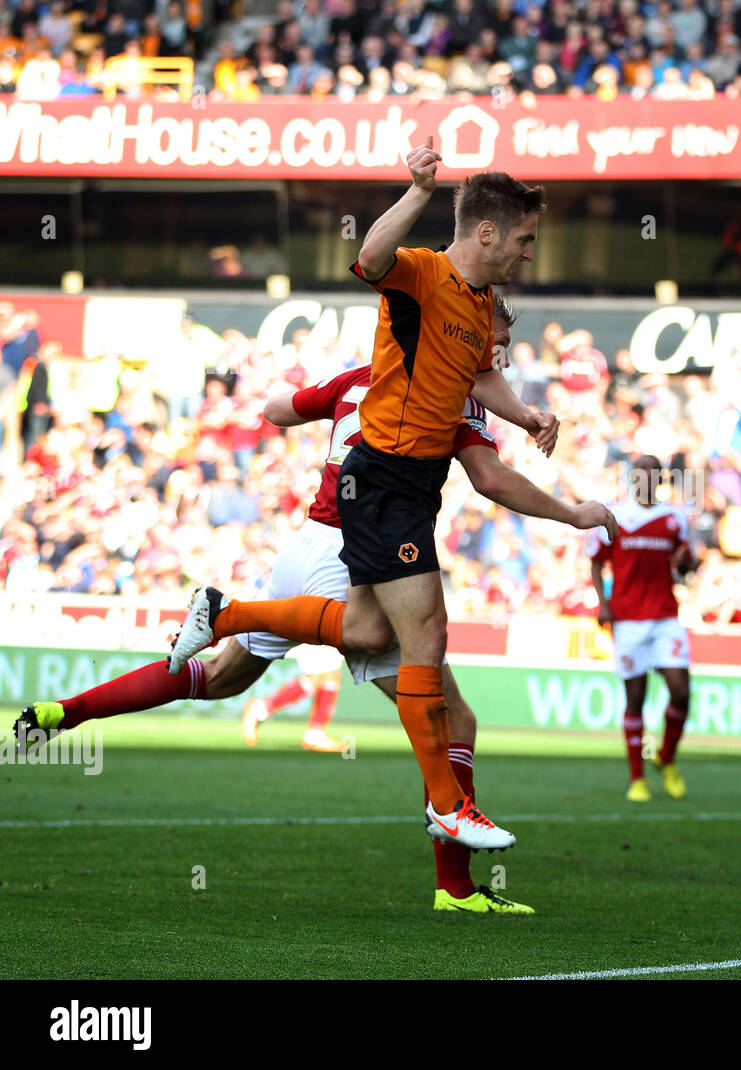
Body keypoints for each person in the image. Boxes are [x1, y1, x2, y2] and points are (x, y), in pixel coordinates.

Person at [17, 296, 618, 913]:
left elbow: (276, 409)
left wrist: (324, 403)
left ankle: (65, 712)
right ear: (457, 334)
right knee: (447, 711)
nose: (498, 355)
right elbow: (490, 480)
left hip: (304, 544)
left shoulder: (361, 378)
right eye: (492, 341)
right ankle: (456, 888)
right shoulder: (448, 394)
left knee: (220, 677)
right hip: (359, 554)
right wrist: (571, 513)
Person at [166, 153, 550, 852]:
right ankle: (446, 807)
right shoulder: (426, 273)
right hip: (387, 476)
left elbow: (481, 379)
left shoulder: (480, 305)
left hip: (405, 484)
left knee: (376, 635)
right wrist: (419, 191)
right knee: (425, 640)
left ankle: (226, 613)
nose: (531, 252)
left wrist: (526, 417)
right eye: (525, 238)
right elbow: (371, 257)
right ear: (488, 233)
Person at [589, 456, 694, 801]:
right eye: (641, 474)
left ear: (660, 480)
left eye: (653, 475)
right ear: (633, 478)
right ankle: (637, 778)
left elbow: (687, 563)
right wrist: (603, 604)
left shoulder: (674, 517)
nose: (646, 480)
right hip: (628, 618)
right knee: (636, 697)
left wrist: (687, 562)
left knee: (681, 690)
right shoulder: (614, 515)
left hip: (665, 616)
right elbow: (596, 561)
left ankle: (666, 758)